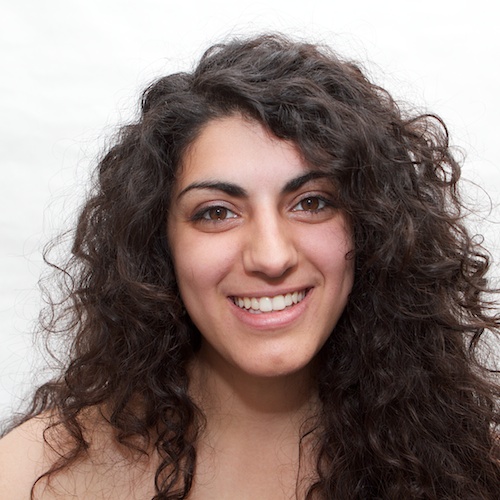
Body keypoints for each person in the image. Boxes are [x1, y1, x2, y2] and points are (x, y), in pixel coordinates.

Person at [1, 33, 499, 499]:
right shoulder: (30, 477)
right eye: (217, 212)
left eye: (311, 203)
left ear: (373, 227)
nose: (272, 257)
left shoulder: (473, 465)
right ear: (158, 245)